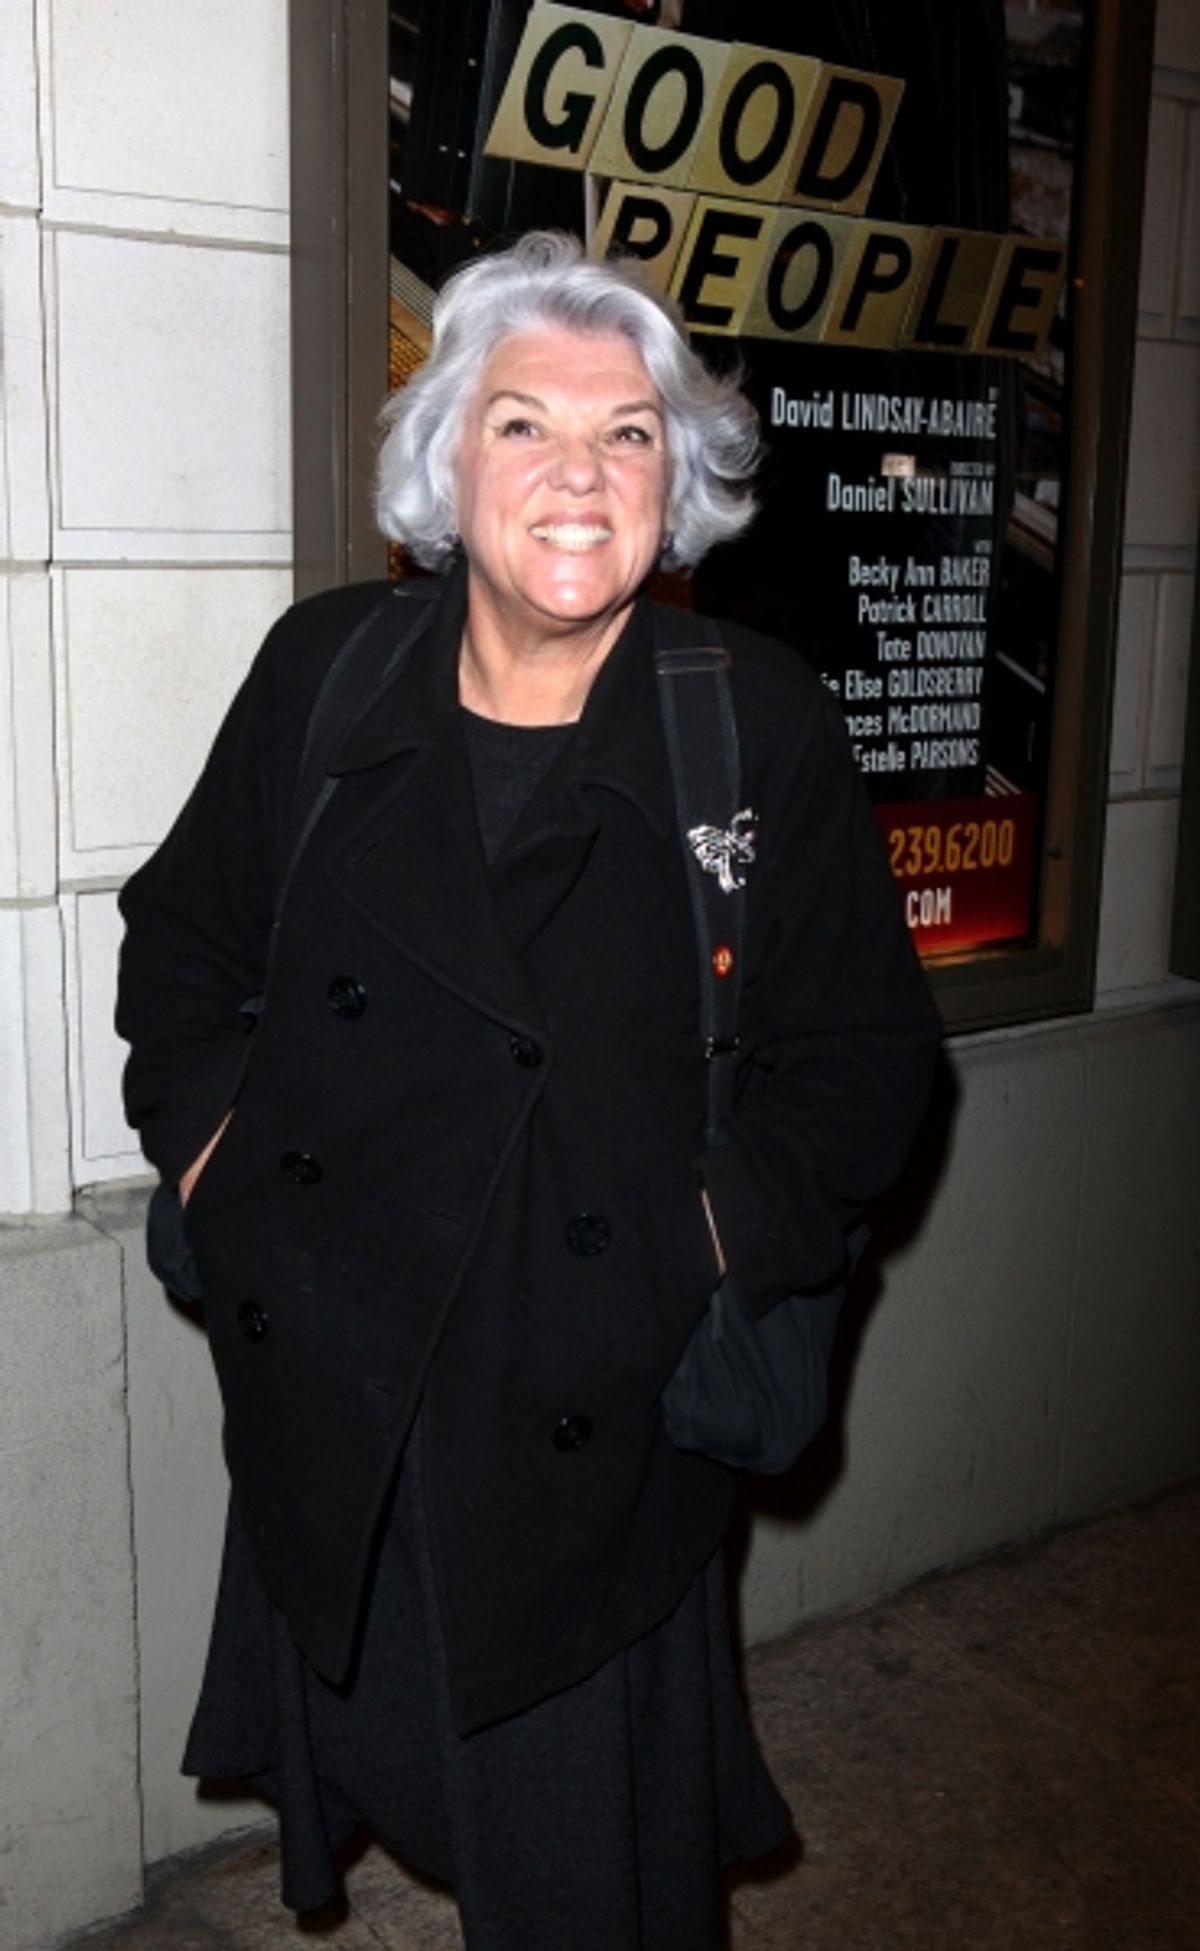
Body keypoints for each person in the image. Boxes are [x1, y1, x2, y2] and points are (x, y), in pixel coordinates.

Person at [116, 231, 940, 1949]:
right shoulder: (326, 674)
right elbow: (183, 944)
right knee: (400, 1765)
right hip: (347, 1397)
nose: (580, 473)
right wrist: (209, 1158)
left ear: (676, 483)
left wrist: (706, 1240)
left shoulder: (755, 726)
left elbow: (867, 1066)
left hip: (594, 1429)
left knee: (585, 1887)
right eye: (523, 425)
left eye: (628, 432)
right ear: (447, 465)